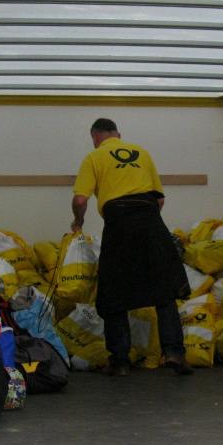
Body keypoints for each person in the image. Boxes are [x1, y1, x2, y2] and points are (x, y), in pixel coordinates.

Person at [71, 118, 192, 376]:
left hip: (118, 223)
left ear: (95, 136)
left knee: (113, 291)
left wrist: (78, 222)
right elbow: (159, 200)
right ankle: (174, 353)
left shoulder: (94, 157)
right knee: (164, 288)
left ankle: (120, 361)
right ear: (118, 134)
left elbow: (80, 200)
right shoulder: (142, 153)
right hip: (150, 219)